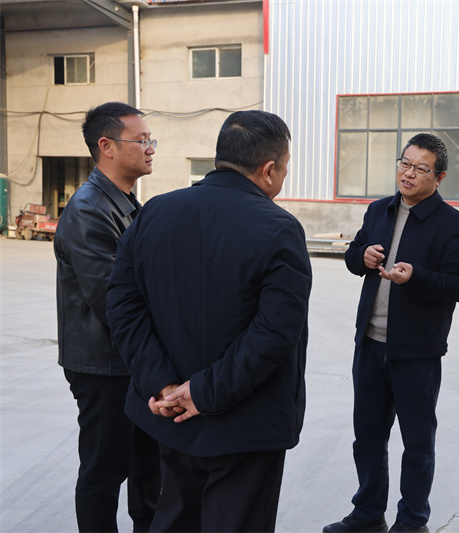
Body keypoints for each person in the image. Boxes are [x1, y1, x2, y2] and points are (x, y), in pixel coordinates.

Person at [106, 110, 312, 532]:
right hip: (246, 425)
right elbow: (275, 332)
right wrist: (202, 392)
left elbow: (123, 305)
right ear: (268, 169)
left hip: (168, 416)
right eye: (285, 167)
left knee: (174, 518)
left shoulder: (155, 212)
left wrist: (163, 383)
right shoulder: (279, 228)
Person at [324, 133, 459, 533]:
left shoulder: (453, 225)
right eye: (404, 163)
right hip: (370, 344)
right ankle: (368, 514)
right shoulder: (379, 210)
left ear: (439, 177)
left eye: (420, 168)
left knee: (417, 443)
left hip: (416, 352)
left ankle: (411, 521)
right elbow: (353, 255)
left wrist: (417, 277)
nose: (408, 173)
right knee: (367, 438)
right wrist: (362, 256)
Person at [54, 101, 160, 532]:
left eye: (151, 140)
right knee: (104, 469)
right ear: (107, 146)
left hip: (132, 360)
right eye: (141, 140)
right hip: (103, 365)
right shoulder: (89, 210)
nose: (150, 148)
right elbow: (112, 301)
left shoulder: (124, 203)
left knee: (148, 465)